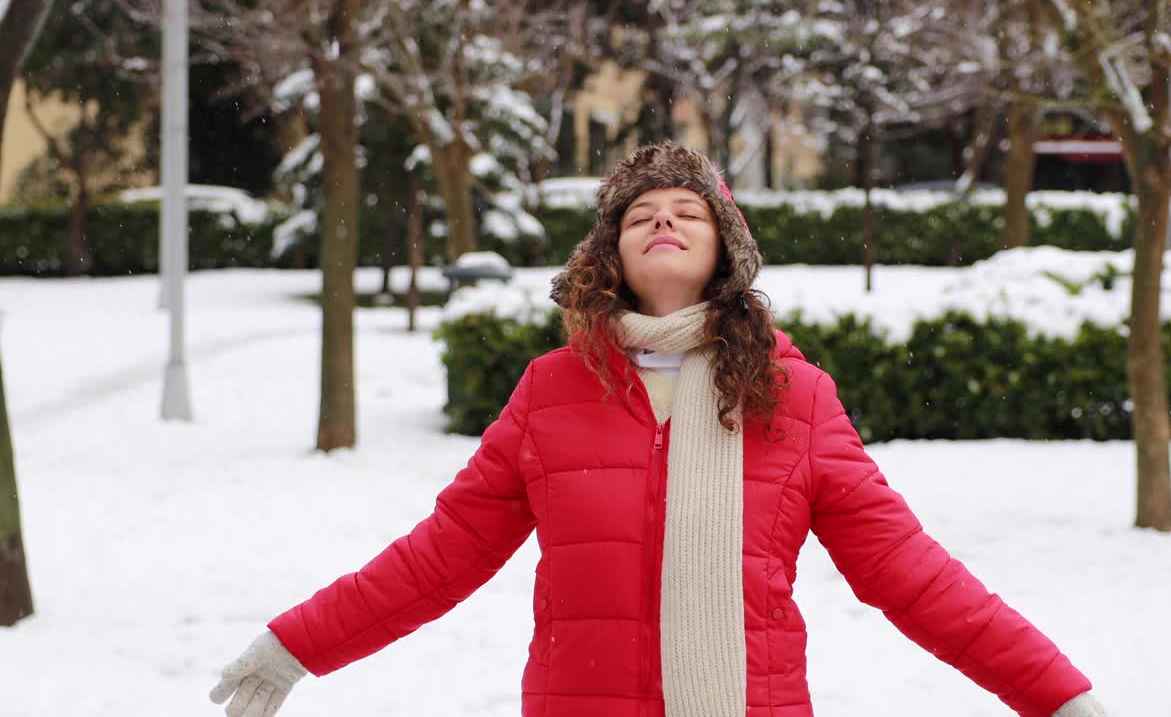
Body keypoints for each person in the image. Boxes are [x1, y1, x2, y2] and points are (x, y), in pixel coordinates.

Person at [210, 141, 1107, 717]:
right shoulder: (553, 391)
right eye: (641, 215)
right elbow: (440, 556)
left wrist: (1053, 694)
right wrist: (298, 644)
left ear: (726, 251)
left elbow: (912, 575)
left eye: (688, 212)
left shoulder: (795, 399)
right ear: (612, 256)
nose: (664, 221)